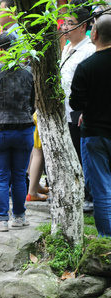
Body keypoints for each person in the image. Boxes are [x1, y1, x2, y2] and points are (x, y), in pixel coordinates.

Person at [0, 32, 35, 232]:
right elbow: (33, 103)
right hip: (23, 129)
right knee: (19, 175)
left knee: (1, 177)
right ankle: (19, 216)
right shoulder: (28, 72)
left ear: (0, 50)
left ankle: (2, 220)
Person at [70, 14, 111, 237]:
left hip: (95, 134)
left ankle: (107, 242)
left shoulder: (86, 67)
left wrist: (87, 108)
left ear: (93, 34)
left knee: (102, 191)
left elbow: (75, 102)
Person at [60, 0, 95, 210]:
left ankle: (89, 196)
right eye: (64, 22)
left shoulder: (88, 51)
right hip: (65, 111)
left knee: (82, 155)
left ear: (83, 27)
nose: (65, 27)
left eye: (70, 23)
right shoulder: (67, 48)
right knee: (71, 153)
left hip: (79, 113)